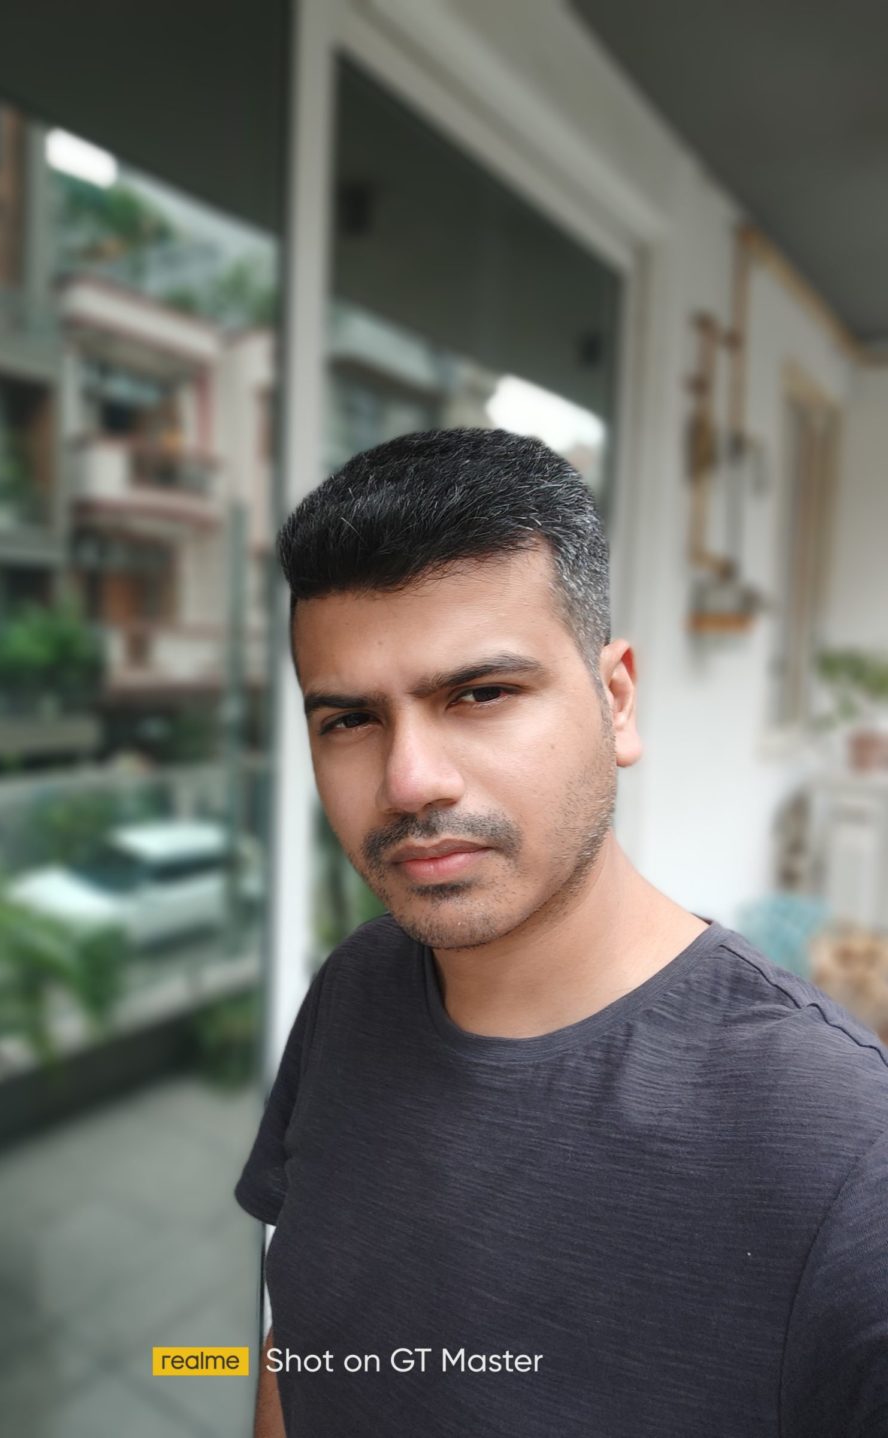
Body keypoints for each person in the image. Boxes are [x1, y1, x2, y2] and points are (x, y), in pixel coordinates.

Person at [234, 428, 888, 1438]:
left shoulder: (841, 1148)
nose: (410, 781)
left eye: (481, 694)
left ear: (615, 700)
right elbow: (308, 1331)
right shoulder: (355, 986)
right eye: (350, 720)